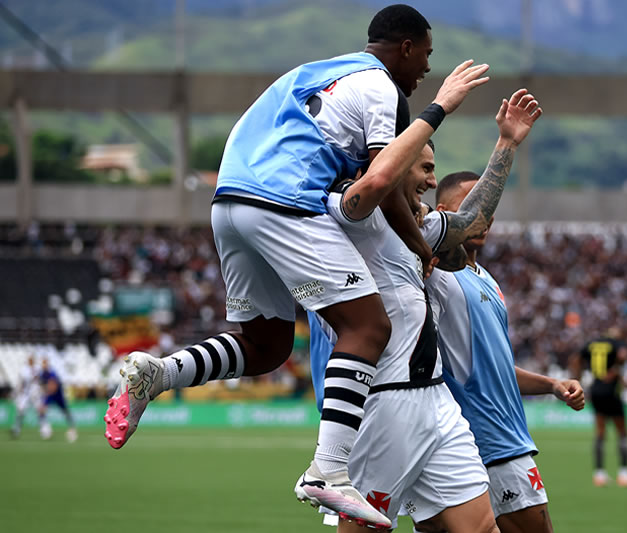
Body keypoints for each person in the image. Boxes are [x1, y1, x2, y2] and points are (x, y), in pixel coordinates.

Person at [103, 5, 490, 526]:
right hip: (285, 202)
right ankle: (327, 471)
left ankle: (161, 372)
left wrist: (420, 238)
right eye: (426, 54)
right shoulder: (381, 89)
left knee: (266, 346)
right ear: (406, 46)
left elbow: (385, 188)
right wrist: (439, 108)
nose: (425, 68)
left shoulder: (312, 74)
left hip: (229, 205)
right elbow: (378, 186)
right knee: (368, 325)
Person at [307, 87, 543, 532]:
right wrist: (437, 109)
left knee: (481, 528)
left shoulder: (416, 227)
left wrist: (506, 144)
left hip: (435, 399)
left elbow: (470, 221)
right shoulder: (349, 216)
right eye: (426, 168)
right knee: (364, 528)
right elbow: (371, 189)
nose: (433, 182)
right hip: (382, 402)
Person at [423, 172, 584, 533]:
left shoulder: (487, 279)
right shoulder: (437, 276)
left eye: (489, 210)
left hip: (494, 438)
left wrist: (553, 385)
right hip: (488, 440)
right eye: (472, 207)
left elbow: (495, 367)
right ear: (444, 214)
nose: (484, 217)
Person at [571, 331, 627, 488]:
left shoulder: (591, 344)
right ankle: (624, 474)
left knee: (600, 432)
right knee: (622, 432)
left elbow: (575, 359)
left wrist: (578, 379)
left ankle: (599, 474)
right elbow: (623, 355)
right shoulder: (616, 343)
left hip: (596, 389)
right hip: (611, 389)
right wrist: (616, 369)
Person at [38, 358, 78, 443]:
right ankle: (45, 428)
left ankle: (72, 428)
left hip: (58, 395)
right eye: (43, 364)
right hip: (50, 395)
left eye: (45, 363)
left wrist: (46, 390)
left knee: (65, 411)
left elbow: (54, 387)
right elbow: (42, 385)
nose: (44, 365)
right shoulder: (42, 374)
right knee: (42, 409)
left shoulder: (52, 373)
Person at [10, 357, 40, 439]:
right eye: (29, 360)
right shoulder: (24, 369)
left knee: (40, 410)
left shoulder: (37, 368)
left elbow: (39, 379)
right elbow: (21, 381)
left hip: (35, 393)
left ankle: (45, 430)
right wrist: (18, 391)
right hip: (26, 393)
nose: (31, 361)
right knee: (20, 411)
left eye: (32, 360)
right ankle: (16, 428)